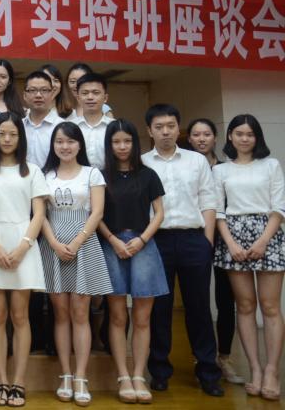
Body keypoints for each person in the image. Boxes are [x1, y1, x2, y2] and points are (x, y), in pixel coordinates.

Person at [142, 104, 223, 397]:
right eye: (159, 127)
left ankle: (208, 372)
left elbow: (209, 201)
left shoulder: (196, 161)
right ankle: (159, 370)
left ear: (179, 128)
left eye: (171, 126)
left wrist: (207, 241)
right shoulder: (142, 163)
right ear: (149, 131)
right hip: (156, 242)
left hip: (193, 239)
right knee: (159, 309)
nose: (166, 132)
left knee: (199, 307)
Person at [38, 121, 112, 406]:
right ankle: (65, 375)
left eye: (70, 141)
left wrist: (77, 242)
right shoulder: (45, 175)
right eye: (59, 141)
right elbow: (40, 215)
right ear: (53, 145)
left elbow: (97, 212)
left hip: (84, 245)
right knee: (60, 314)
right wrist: (55, 244)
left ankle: (81, 377)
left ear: (79, 144)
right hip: (53, 247)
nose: (65, 146)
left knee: (81, 313)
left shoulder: (92, 173)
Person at [213, 114, 284, 401]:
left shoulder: (271, 165)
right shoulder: (221, 170)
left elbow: (279, 207)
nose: (245, 138)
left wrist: (263, 240)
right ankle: (254, 369)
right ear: (230, 136)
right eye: (239, 133)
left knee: (270, 306)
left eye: (250, 134)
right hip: (233, 236)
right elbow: (218, 211)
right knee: (244, 306)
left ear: (257, 137)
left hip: (268, 234)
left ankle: (271, 371)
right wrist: (230, 243)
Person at [96, 119, 167, 404]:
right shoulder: (101, 176)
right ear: (109, 145)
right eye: (116, 142)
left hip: (143, 245)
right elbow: (96, 215)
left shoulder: (148, 175)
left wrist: (142, 240)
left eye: (127, 141)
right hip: (111, 245)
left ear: (135, 143)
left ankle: (139, 376)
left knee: (142, 317)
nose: (122, 146)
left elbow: (159, 213)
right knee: (117, 316)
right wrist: (113, 240)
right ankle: (123, 375)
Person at [0, 113, 47, 408]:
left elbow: (39, 214)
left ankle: (19, 382)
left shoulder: (32, 171)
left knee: (20, 315)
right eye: (2, 134)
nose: (7, 139)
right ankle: (1, 381)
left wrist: (23, 247)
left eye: (13, 134)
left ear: (21, 138)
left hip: (24, 243)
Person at [185, 118, 242, 383]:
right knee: (197, 302)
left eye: (206, 134)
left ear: (216, 137)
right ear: (189, 138)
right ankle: (201, 357)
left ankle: (224, 357)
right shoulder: (185, 167)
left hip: (224, 239)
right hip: (192, 239)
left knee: (226, 299)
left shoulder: (226, 168)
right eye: (196, 134)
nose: (201, 139)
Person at [70, 73, 113, 168]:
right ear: (78, 98)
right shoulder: (70, 127)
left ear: (105, 98)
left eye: (96, 93)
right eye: (85, 93)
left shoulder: (115, 126)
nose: (90, 97)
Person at [22, 70, 61, 168]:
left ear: (52, 94)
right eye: (32, 90)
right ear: (24, 96)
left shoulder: (61, 127)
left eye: (44, 90)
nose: (38, 95)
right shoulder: (18, 126)